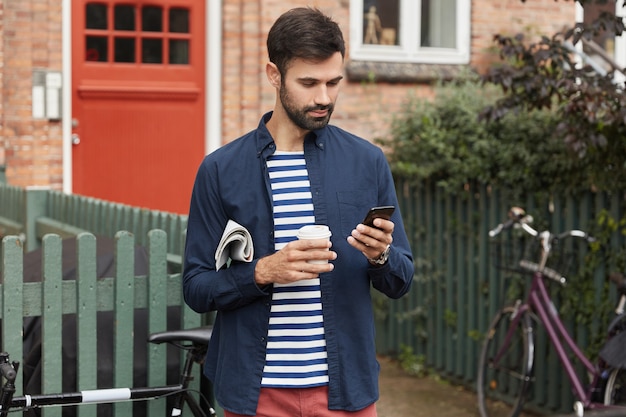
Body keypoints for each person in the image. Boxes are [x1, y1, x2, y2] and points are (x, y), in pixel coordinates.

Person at [182, 7, 414, 417]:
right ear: (274, 74)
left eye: (333, 82)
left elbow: (401, 279)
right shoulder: (221, 169)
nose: (323, 97)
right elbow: (196, 287)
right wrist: (262, 272)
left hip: (345, 391)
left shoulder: (367, 162)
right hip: (256, 395)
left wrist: (380, 255)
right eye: (309, 83)